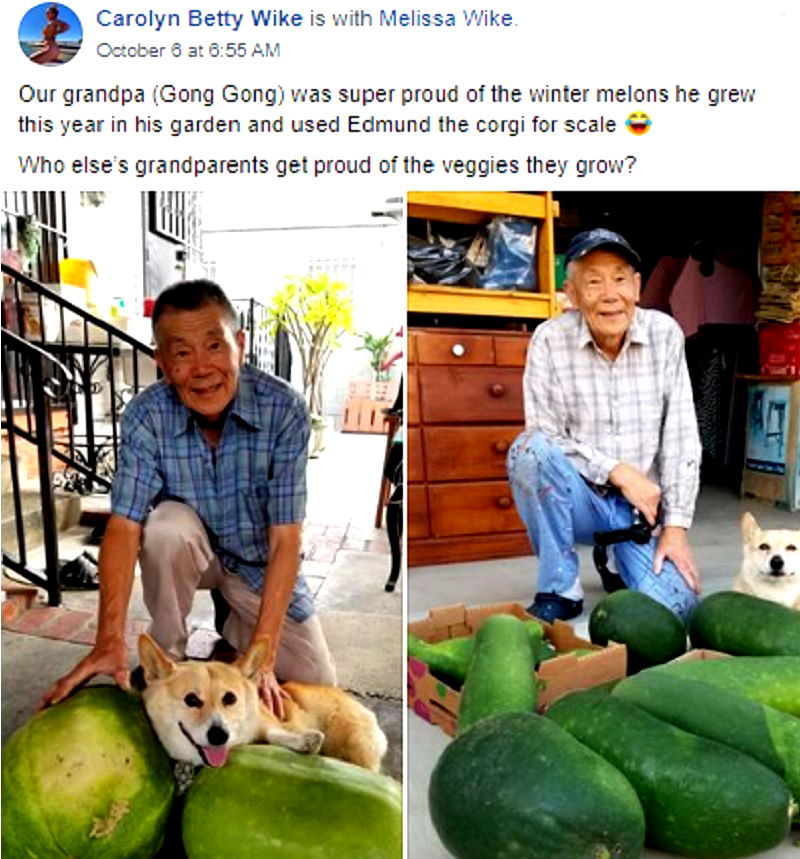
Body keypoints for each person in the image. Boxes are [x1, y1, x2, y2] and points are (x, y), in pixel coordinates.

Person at [41, 280, 336, 714]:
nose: (201, 367)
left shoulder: (284, 410)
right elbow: (123, 528)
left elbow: (286, 539)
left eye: (214, 346)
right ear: (161, 361)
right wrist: (108, 640)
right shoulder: (146, 414)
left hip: (255, 563)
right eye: (182, 353)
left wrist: (264, 658)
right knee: (165, 528)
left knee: (315, 680)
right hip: (189, 552)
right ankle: (168, 656)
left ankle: (234, 623)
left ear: (240, 345)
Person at [507, 228, 702, 623]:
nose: (610, 294)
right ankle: (559, 588)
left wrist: (676, 526)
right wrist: (615, 470)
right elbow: (544, 435)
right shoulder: (549, 339)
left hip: (639, 511)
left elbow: (681, 436)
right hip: (579, 498)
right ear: (572, 294)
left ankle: (614, 559)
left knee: (676, 610)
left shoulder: (664, 334)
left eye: (619, 279)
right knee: (528, 450)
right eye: (593, 282)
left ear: (637, 286)